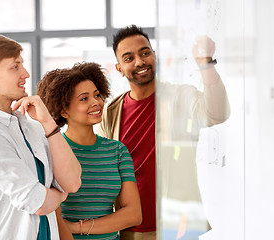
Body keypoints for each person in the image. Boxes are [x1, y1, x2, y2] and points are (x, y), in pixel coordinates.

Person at [98, 25, 230, 239]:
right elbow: (104, 169)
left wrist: (206, 63)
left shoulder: (181, 96)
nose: (140, 62)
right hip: (128, 230)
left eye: (144, 53)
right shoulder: (111, 112)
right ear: (120, 68)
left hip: (178, 228)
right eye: (129, 58)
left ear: (154, 56)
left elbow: (218, 112)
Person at [0, 34, 82, 240]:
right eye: (15, 67)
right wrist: (60, 195)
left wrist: (48, 124)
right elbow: (38, 201)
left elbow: (72, 183)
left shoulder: (32, 125)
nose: (25, 74)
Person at [37, 62, 142, 240]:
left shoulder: (117, 151)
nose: (97, 103)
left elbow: (133, 215)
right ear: (64, 110)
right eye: (84, 99)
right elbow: (52, 215)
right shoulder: (52, 150)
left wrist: (76, 227)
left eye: (97, 95)